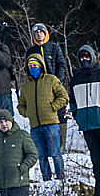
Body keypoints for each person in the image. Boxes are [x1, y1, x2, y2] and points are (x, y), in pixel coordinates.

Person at [67, 45, 100, 196]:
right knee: (96, 159)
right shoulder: (75, 79)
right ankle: (99, 190)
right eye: (82, 57)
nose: (85, 59)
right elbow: (72, 101)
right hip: (87, 125)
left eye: (87, 56)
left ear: (92, 57)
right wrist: (76, 114)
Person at [16, 53, 68, 182]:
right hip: (35, 127)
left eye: (35, 65)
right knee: (41, 156)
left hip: (51, 124)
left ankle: (61, 179)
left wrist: (53, 107)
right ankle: (46, 180)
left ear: (41, 66)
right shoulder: (26, 87)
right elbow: (20, 105)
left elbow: (63, 96)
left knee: (55, 154)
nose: (33, 68)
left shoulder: (51, 80)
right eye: (30, 66)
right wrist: (28, 113)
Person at [26, 23, 69, 151]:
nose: (39, 35)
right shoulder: (31, 51)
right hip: (39, 88)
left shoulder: (54, 48)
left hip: (55, 86)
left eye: (41, 32)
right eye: (36, 33)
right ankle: (45, 147)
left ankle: (61, 146)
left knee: (60, 113)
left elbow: (61, 65)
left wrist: (57, 81)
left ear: (45, 34)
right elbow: (28, 69)